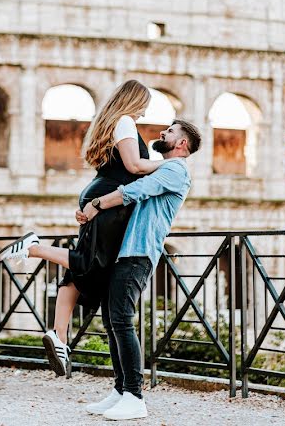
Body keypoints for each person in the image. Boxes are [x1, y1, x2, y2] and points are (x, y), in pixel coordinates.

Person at [0, 80, 169, 377]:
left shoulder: (110, 122)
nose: (143, 113)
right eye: (143, 105)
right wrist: (168, 164)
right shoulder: (125, 122)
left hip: (97, 196)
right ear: (133, 101)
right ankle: (33, 247)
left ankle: (59, 337)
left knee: (80, 270)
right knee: (89, 262)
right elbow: (134, 165)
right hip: (109, 203)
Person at [79, 118, 201, 421]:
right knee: (111, 318)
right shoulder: (165, 167)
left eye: (170, 132)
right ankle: (120, 390)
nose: (162, 133)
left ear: (182, 143)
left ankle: (134, 396)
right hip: (127, 249)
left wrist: (97, 203)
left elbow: (135, 190)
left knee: (121, 319)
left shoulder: (175, 169)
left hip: (139, 251)